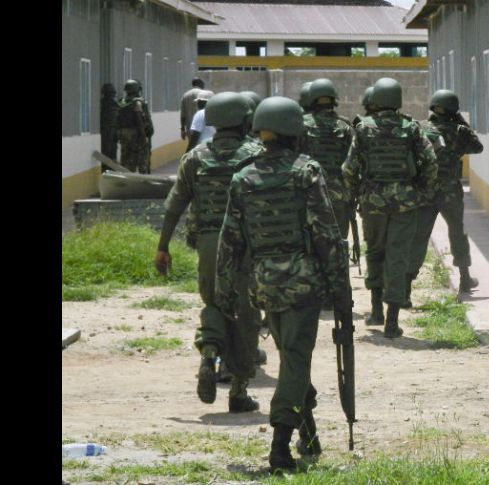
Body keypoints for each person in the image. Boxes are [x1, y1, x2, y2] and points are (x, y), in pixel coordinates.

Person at [215, 96, 351, 473]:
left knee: (292, 357)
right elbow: (327, 234)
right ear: (294, 130)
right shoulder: (305, 172)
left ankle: (309, 437)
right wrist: (341, 288)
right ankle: (279, 447)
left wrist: (224, 292)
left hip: (263, 286)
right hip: (303, 285)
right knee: (295, 359)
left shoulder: (244, 177)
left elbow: (230, 240)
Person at [154, 92, 263, 414]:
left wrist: (162, 248)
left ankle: (209, 354)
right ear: (245, 120)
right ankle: (239, 391)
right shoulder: (256, 155)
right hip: (246, 245)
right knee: (246, 313)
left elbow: (174, 207)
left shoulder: (196, 158)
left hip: (209, 243)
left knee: (215, 303)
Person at [342, 77, 437, 336]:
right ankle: (392, 321)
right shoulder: (411, 127)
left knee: (375, 252)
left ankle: (375, 311)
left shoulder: (364, 128)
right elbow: (430, 161)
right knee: (398, 256)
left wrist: (353, 195)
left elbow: (349, 168)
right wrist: (422, 191)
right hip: (406, 202)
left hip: (372, 201)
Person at [406, 89, 484, 307]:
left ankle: (405, 286)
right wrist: (461, 122)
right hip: (450, 189)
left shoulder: (420, 127)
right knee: (457, 232)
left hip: (425, 189)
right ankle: (465, 279)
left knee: (419, 235)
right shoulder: (459, 131)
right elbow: (478, 147)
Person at [298, 78, 354, 240]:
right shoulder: (345, 126)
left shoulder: (301, 125)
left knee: (311, 241)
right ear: (334, 100)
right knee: (339, 239)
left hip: (310, 191)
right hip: (339, 193)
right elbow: (353, 162)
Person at [117, 79, 152, 173]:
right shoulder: (136, 102)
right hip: (135, 135)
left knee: (125, 158)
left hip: (123, 135)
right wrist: (143, 136)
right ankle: (143, 180)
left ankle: (126, 177)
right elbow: (139, 119)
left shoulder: (121, 102)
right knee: (142, 159)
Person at [99, 83, 119, 168]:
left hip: (106, 131)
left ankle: (106, 170)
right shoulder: (115, 103)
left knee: (106, 152)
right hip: (113, 131)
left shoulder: (102, 103)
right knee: (112, 153)